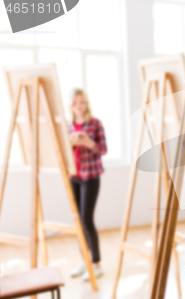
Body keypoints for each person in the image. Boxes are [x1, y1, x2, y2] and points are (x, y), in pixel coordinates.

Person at [67, 89, 108, 281]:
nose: (79, 106)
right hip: (73, 176)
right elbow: (64, 151)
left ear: (86, 104)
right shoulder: (68, 127)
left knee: (87, 220)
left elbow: (103, 149)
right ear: (72, 106)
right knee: (78, 221)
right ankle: (84, 260)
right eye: (76, 103)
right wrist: (72, 143)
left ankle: (96, 263)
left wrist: (88, 142)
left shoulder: (95, 124)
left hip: (90, 177)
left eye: (82, 102)